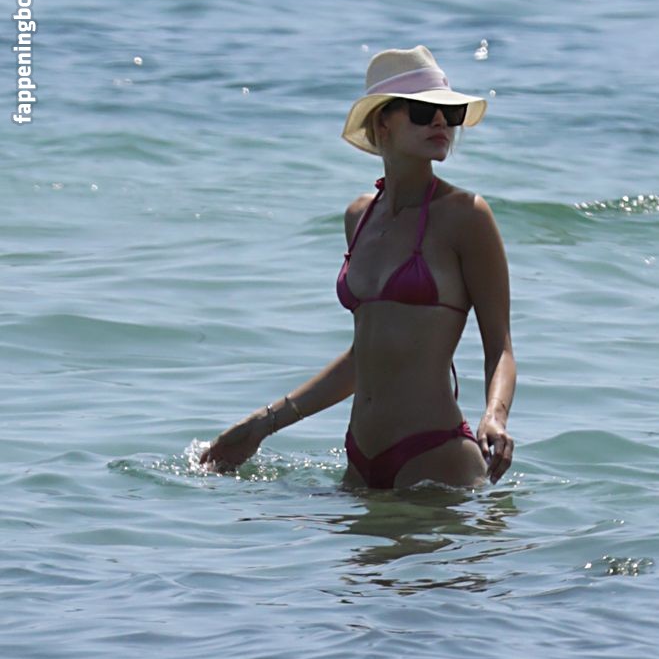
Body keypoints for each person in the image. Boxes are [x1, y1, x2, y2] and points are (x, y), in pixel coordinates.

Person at [202, 45, 516, 489]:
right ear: (382, 121)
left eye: (451, 113)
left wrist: (494, 417)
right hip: (360, 457)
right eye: (423, 111)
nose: (441, 123)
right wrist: (262, 424)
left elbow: (499, 348)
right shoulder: (360, 216)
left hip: (434, 457)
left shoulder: (466, 215)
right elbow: (363, 358)